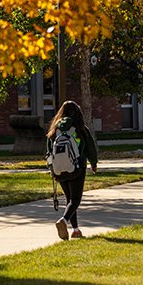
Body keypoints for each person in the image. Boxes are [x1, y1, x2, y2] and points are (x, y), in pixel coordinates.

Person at [46, 100, 98, 240]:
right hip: (76, 168)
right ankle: (63, 220)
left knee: (69, 199)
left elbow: (49, 151)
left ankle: (75, 230)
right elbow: (90, 148)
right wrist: (93, 163)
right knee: (75, 200)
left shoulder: (54, 130)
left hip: (59, 169)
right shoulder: (80, 128)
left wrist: (52, 168)